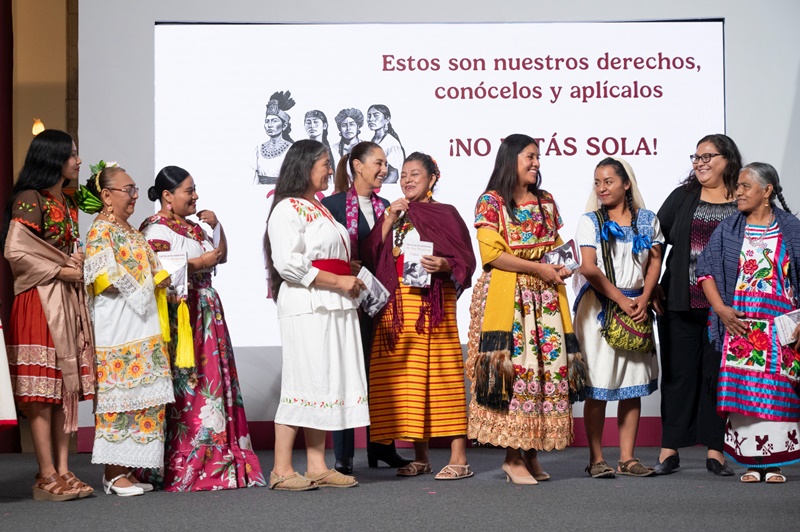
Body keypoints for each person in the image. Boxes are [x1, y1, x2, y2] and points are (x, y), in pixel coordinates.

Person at [139, 165, 266, 490]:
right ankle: (188, 458)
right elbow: (159, 271)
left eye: (195, 189)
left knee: (213, 379)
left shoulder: (193, 227)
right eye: (188, 190)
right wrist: (199, 264)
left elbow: (219, 257)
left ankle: (221, 455)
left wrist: (217, 226)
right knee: (190, 382)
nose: (195, 196)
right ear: (167, 197)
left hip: (207, 310)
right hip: (182, 313)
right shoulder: (156, 228)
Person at [466, 134, 578, 485]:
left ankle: (530, 451)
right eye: (530, 157)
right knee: (516, 373)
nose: (536, 163)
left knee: (545, 374)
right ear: (511, 158)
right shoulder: (491, 202)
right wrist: (540, 268)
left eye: (538, 157)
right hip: (509, 298)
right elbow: (493, 255)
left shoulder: (545, 200)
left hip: (544, 300)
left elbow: (556, 245)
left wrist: (562, 265)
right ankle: (511, 457)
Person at [362, 152, 476, 480]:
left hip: (433, 303)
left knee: (443, 377)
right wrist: (386, 220)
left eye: (416, 175)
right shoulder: (394, 215)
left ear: (432, 179)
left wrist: (445, 265)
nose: (408, 180)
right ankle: (421, 457)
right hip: (396, 307)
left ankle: (459, 458)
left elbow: (466, 260)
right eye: (404, 175)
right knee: (408, 384)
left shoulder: (446, 214)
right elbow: (371, 256)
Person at [264, 139, 370, 490]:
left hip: (334, 300)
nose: (329, 169)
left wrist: (347, 269)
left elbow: (323, 250)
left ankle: (316, 464)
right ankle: (281, 469)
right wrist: (337, 278)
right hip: (308, 302)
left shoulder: (319, 206)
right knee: (303, 380)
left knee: (323, 381)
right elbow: (288, 263)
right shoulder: (286, 208)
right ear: (304, 166)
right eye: (324, 163)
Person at [2, 129, 95, 501]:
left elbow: (61, 249)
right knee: (41, 392)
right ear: (54, 158)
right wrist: (61, 270)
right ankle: (45, 473)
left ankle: (63, 467)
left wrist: (77, 263)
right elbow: (16, 252)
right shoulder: (30, 198)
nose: (78, 160)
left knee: (62, 388)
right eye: (72, 154)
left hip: (65, 300)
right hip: (39, 300)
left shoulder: (69, 202)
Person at [698, 162, 800, 483]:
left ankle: (775, 465)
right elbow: (705, 272)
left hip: (779, 327)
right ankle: (753, 463)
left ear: (767, 191)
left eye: (745, 187)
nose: (738, 192)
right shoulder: (729, 229)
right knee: (745, 395)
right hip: (740, 326)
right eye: (738, 187)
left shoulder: (791, 229)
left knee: (776, 392)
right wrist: (722, 311)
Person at [79, 162, 175, 496]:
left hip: (142, 322)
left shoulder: (129, 229)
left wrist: (163, 283)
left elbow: (153, 267)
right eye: (128, 190)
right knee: (119, 398)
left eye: (136, 190)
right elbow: (101, 279)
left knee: (141, 399)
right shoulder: (100, 230)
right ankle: (112, 473)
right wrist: (142, 287)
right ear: (106, 196)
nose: (135, 196)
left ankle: (127, 470)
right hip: (118, 325)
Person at [653, 134, 742, 476]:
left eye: (708, 156)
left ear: (728, 160)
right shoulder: (683, 197)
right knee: (678, 375)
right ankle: (668, 450)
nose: (700, 162)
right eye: (696, 156)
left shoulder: (742, 198)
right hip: (680, 301)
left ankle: (715, 451)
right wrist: (653, 287)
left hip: (727, 310)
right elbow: (656, 244)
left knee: (717, 377)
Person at [321, 142, 411, 474]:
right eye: (379, 162)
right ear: (358, 166)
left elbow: (385, 254)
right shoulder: (329, 205)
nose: (385, 169)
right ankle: (343, 455)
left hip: (378, 299)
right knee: (345, 375)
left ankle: (381, 447)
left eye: (387, 164)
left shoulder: (386, 205)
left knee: (381, 375)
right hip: (344, 299)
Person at [573, 157, 663, 478]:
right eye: (597, 182)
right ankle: (597, 458)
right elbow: (588, 267)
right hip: (600, 308)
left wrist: (644, 296)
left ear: (626, 184)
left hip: (637, 304)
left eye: (608, 181)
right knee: (598, 384)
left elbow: (655, 262)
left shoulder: (648, 220)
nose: (601, 188)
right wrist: (623, 300)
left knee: (633, 383)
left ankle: (627, 457)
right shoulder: (591, 221)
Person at [254, 90, 295, 184]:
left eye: (274, 121)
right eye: (267, 121)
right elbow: (254, 179)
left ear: (284, 126)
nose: (270, 125)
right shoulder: (258, 149)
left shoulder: (292, 149)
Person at [366, 104, 404, 184]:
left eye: (376, 116)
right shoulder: (371, 141)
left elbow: (393, 176)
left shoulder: (391, 143)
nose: (371, 119)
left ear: (387, 119)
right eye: (369, 116)